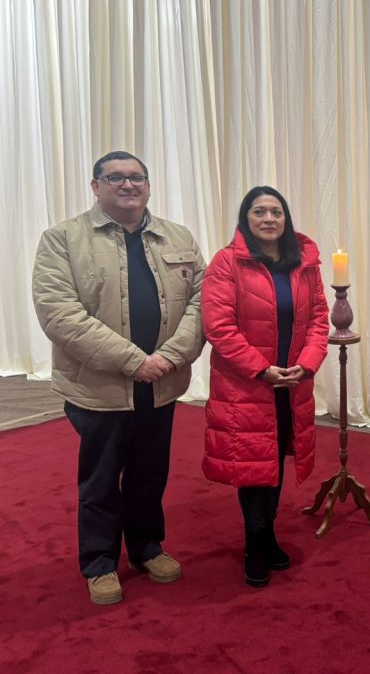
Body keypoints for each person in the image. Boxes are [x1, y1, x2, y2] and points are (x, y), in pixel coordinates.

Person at [32, 150, 206, 606]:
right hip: (99, 388)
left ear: (148, 185)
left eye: (136, 177)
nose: (128, 185)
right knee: (101, 480)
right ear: (96, 186)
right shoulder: (62, 240)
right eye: (116, 178)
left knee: (150, 474)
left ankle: (147, 547)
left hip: (162, 383)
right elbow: (60, 315)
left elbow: (202, 302)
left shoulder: (178, 237)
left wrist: (168, 357)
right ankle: (100, 563)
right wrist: (134, 361)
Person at [201, 186, 329, 587]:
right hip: (247, 386)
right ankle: (255, 542)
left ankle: (267, 534)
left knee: (274, 461)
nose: (269, 218)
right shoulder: (226, 263)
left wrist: (306, 364)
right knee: (254, 466)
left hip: (291, 384)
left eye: (276, 211)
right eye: (259, 211)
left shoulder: (304, 263)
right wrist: (262, 370)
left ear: (286, 218)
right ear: (246, 218)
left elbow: (319, 320)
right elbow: (218, 327)